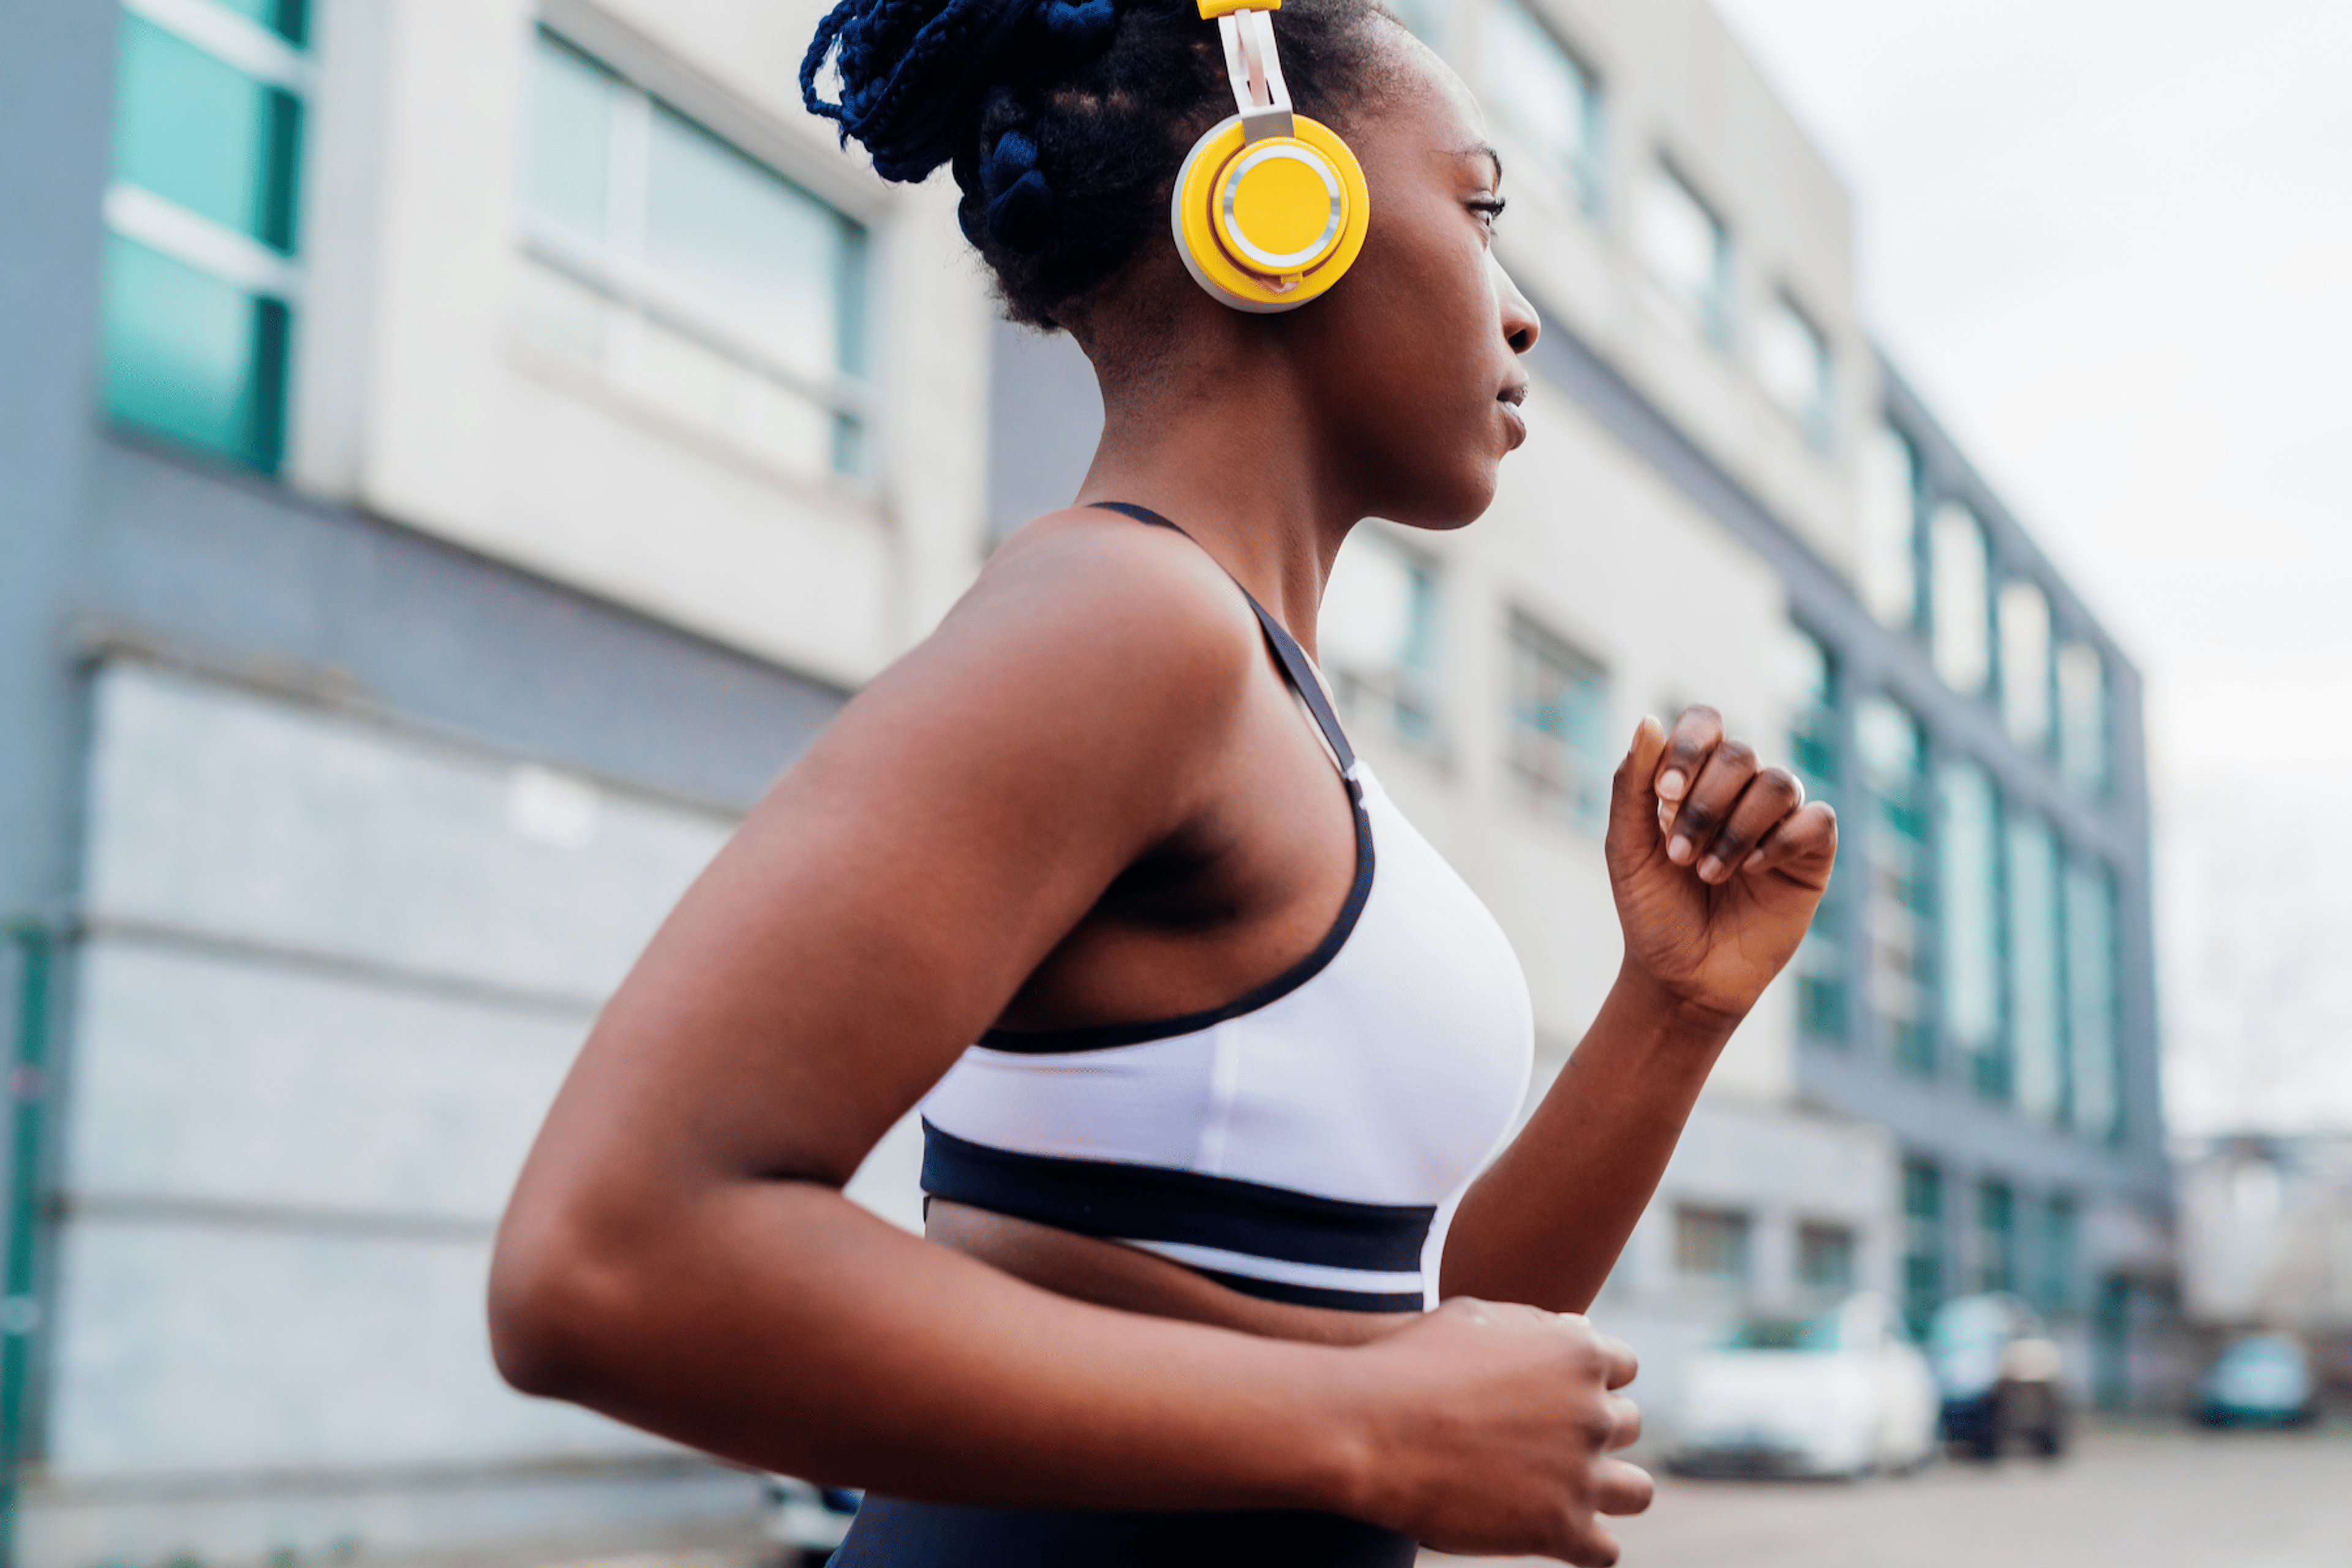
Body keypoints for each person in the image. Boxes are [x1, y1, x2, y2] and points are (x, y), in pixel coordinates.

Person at [486, 0, 1836, 1561]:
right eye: (1477, 211)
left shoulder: (1267, 696)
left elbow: (1413, 1349)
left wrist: (1675, 1005)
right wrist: (1371, 1426)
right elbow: (607, 1258)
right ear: (1281, 206)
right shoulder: (1125, 623)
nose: (1520, 310)